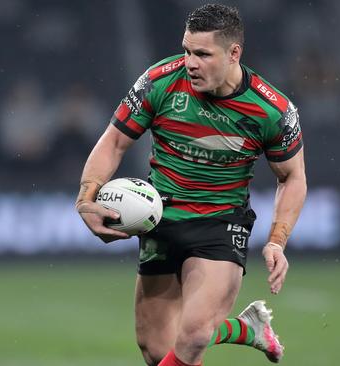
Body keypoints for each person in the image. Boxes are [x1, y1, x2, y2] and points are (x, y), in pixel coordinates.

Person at [76, 4, 306, 366]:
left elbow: (292, 177)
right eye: (186, 50)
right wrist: (85, 198)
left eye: (202, 54)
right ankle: (247, 329)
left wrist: (278, 240)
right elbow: (113, 142)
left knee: (195, 334)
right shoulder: (160, 81)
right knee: (157, 350)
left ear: (234, 53)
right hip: (160, 219)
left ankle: (240, 329)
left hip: (220, 224)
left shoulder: (271, 110)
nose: (190, 63)